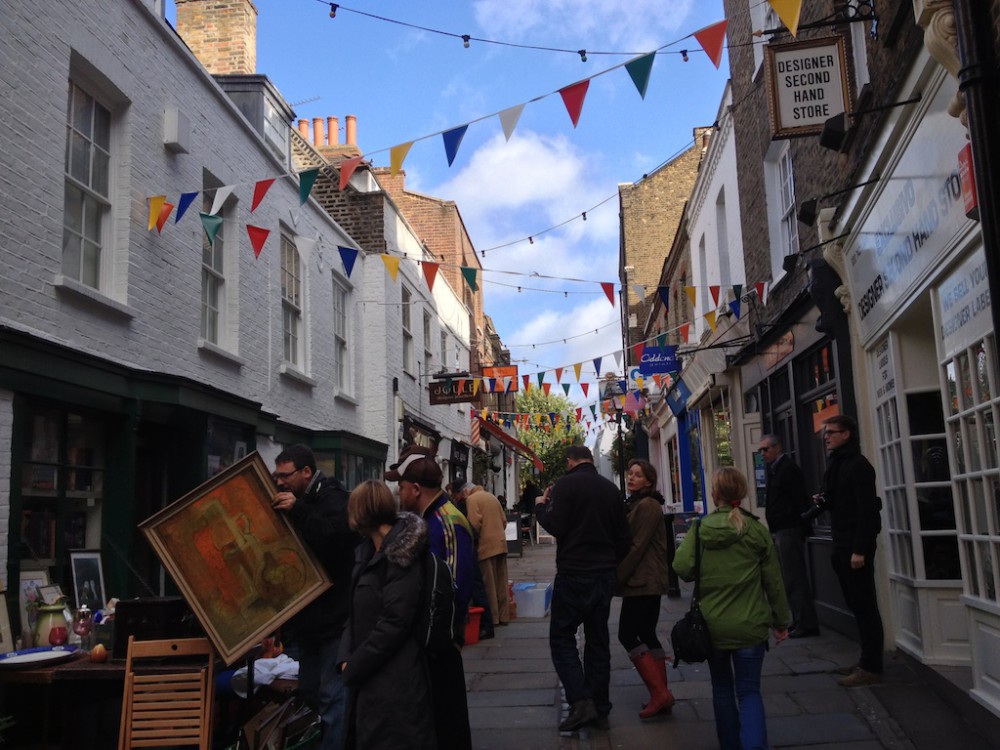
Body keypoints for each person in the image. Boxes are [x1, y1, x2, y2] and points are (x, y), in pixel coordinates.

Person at [674, 467, 790, 750]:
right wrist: (781, 621)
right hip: (750, 626)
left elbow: (682, 568)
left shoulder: (700, 529)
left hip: (712, 628)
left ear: (714, 495)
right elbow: (774, 582)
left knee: (722, 689)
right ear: (742, 492)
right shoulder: (756, 531)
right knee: (749, 691)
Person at [535, 444, 630, 732]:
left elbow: (556, 526)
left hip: (574, 574)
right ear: (590, 459)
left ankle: (581, 700)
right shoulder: (610, 489)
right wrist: (609, 562)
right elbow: (624, 539)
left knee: (562, 638)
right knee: (598, 640)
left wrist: (540, 505)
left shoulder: (565, 486)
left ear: (570, 461)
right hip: (603, 576)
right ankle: (600, 707)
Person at [385, 445, 474, 750]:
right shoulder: (426, 517)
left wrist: (441, 637)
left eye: (402, 487)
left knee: (448, 719)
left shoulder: (447, 521)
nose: (399, 492)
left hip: (439, 641)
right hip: (427, 639)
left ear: (416, 489)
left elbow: (454, 586)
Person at [271, 444, 358, 750]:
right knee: (309, 693)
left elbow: (333, 539)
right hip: (309, 622)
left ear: (306, 472)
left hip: (334, 620)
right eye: (276, 476)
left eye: (286, 475)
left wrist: (298, 510)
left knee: (332, 698)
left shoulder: (332, 498)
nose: (280, 482)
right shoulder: (297, 501)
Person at [338, 481, 436, 750]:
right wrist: (345, 657)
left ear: (365, 511)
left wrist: (355, 665)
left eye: (352, 507)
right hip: (369, 677)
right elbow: (355, 612)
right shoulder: (367, 552)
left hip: (396, 681)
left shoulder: (401, 556)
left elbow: (395, 621)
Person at [819, 415, 885, 687]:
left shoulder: (858, 466)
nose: (827, 437)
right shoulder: (838, 465)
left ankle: (871, 666)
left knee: (865, 606)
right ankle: (865, 660)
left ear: (847, 434)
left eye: (832, 432)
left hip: (854, 547)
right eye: (827, 433)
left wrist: (860, 550)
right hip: (841, 542)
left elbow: (867, 511)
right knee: (856, 604)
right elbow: (840, 501)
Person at [615, 459, 676, 719]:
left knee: (627, 634)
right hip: (647, 580)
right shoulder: (639, 504)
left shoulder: (648, 506)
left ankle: (660, 693)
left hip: (643, 580)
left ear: (649, 481)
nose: (631, 478)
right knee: (647, 634)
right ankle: (661, 694)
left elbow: (636, 546)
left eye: (638, 475)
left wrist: (616, 578)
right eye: (630, 474)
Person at [758, 434, 820, 638]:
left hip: (789, 529)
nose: (763, 454)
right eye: (761, 450)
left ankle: (806, 623)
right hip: (781, 530)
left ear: (777, 448)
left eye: (766, 449)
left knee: (795, 578)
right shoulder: (777, 470)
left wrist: (802, 526)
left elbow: (799, 500)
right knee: (788, 577)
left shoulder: (787, 469)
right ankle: (800, 620)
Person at [459, 480, 511, 628]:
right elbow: (504, 521)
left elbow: (475, 523)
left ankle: (493, 618)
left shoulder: (472, 499)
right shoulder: (491, 496)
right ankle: (504, 615)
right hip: (500, 542)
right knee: (501, 581)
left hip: (486, 545)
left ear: (466, 491)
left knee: (489, 583)